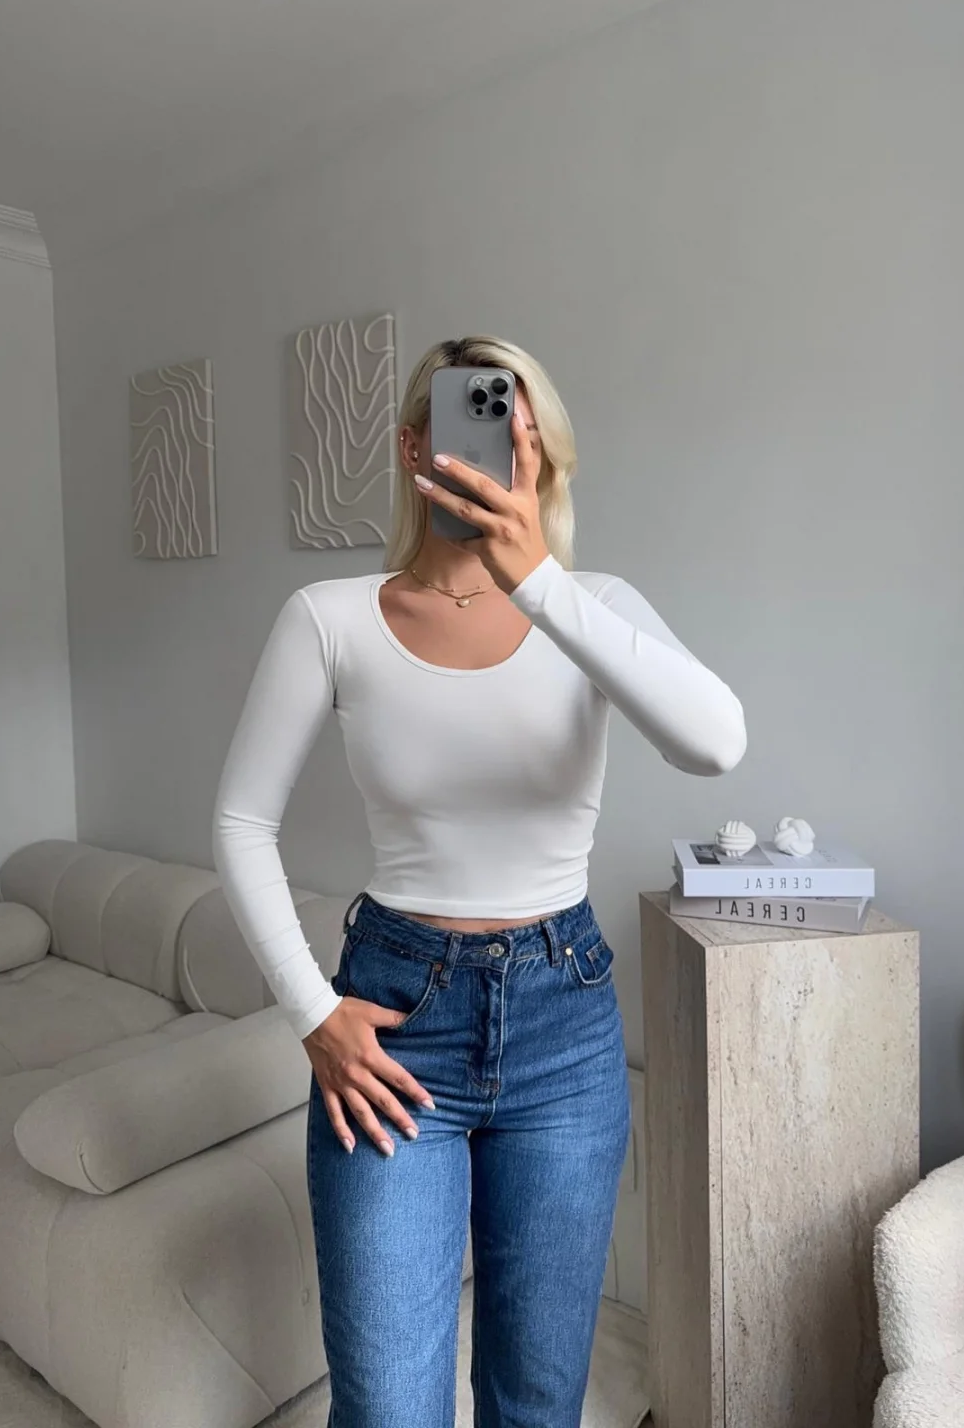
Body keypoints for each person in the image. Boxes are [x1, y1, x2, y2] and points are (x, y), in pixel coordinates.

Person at [211, 334, 746, 1428]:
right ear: (416, 448)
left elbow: (717, 743)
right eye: (474, 424)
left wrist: (536, 582)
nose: (502, 452)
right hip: (395, 1020)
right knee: (386, 1405)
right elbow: (239, 821)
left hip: (564, 1024)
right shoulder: (330, 617)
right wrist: (311, 1011)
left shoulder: (594, 604)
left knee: (538, 1401)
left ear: (543, 456)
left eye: (521, 431)